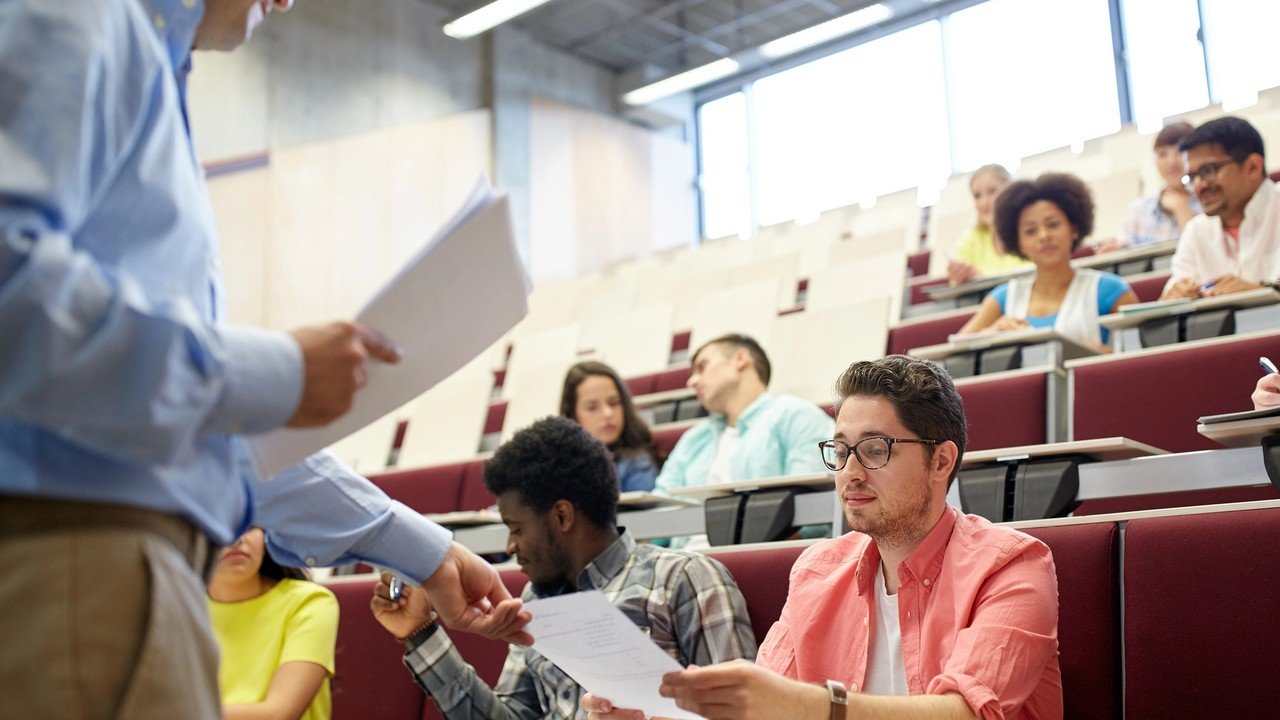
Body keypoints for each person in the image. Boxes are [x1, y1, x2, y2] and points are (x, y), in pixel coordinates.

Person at [0, 2, 527, 717]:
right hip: (72, 551)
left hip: (113, 554)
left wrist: (424, 551)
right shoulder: (81, 14)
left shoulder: (147, 56)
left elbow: (188, 418)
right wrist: (272, 372)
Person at [584, 355, 1062, 720]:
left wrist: (815, 705)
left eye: (875, 450)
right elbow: (765, 705)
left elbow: (963, 713)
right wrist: (655, 711)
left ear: (940, 462)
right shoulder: (818, 569)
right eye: (839, 450)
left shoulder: (1013, 565)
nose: (849, 472)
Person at [370, 416, 757, 719]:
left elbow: (748, 714)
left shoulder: (685, 578)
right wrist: (421, 635)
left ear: (561, 516)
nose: (510, 548)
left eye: (516, 529)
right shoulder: (536, 601)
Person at [957, 173, 1137, 352]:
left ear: (1073, 229)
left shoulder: (1110, 289)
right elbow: (957, 350)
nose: (1044, 236)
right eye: (1030, 231)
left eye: (1053, 224)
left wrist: (1102, 354)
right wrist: (992, 332)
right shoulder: (1004, 296)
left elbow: (1143, 356)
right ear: (1018, 242)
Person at [655, 334, 834, 494]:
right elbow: (660, 504)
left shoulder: (794, 415)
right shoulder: (693, 438)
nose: (691, 382)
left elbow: (812, 506)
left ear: (740, 359)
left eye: (702, 367)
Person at [208, 528, 338, 720]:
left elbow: (278, 714)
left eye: (249, 525)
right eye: (220, 524)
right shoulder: (178, 608)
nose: (237, 539)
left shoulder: (310, 601)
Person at [1162, 116, 1280, 300]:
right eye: (1192, 177)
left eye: (1208, 171)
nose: (1199, 185)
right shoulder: (1197, 231)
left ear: (1253, 167)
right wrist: (1177, 295)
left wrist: (1264, 294)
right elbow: (1169, 300)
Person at [1097, 122, 1200, 253]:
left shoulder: (1207, 203)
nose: (1171, 161)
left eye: (1180, 152)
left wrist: (1181, 209)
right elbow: (1122, 249)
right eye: (1162, 154)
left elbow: (1202, 253)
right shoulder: (1140, 210)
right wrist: (1113, 250)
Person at [560, 361, 660, 492]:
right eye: (592, 407)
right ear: (572, 414)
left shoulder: (638, 463)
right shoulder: (560, 464)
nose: (608, 413)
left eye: (614, 403)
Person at [946, 164, 1031, 285]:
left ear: (1010, 191)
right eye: (977, 196)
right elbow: (956, 286)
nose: (984, 202)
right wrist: (962, 278)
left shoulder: (1029, 231)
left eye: (992, 191)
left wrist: (981, 279)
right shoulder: (970, 239)